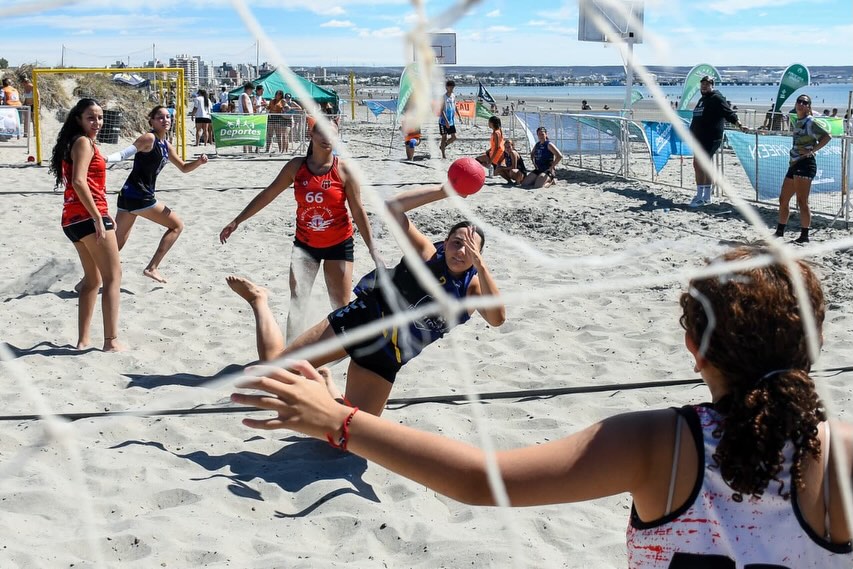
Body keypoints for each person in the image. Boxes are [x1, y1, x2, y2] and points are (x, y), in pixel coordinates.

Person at [232, 246, 852, 567]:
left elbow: (482, 481)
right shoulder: (843, 453)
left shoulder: (660, 443)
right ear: (815, 344)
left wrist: (338, 421)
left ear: (695, 349)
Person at [227, 183, 506, 416]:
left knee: (351, 434)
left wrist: (481, 267)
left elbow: (497, 319)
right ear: (445, 243)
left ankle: (326, 382)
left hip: (387, 356)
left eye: (470, 248)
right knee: (277, 374)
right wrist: (445, 191)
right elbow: (392, 208)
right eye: (457, 242)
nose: (461, 251)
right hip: (360, 320)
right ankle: (258, 300)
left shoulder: (473, 289)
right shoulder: (426, 254)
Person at [220, 122, 375, 343]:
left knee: (340, 306)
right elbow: (268, 194)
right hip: (305, 245)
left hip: (339, 244)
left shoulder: (344, 170)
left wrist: (372, 249)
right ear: (311, 134)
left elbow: (358, 211)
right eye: (323, 132)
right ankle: (291, 350)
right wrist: (238, 220)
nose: (327, 138)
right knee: (298, 301)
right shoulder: (296, 166)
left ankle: (336, 353)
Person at [49, 99, 123, 352]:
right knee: (113, 277)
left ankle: (83, 340)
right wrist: (97, 217)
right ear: (78, 119)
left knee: (93, 280)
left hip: (73, 220)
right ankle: (111, 342)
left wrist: (100, 214)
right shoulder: (82, 142)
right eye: (91, 117)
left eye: (100, 117)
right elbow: (79, 181)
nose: (97, 122)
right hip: (87, 218)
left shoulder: (77, 142)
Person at [107, 105, 208, 284]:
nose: (165, 120)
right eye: (160, 117)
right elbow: (124, 154)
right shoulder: (149, 138)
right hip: (141, 196)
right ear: (152, 121)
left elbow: (184, 168)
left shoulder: (166, 145)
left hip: (128, 196)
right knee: (177, 226)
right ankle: (152, 268)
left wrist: (198, 162)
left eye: (168, 117)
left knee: (116, 245)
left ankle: (88, 279)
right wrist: (105, 159)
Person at [774, 94, 832, 244]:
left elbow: (827, 136)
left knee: (802, 201)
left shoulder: (810, 121)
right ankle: (779, 231)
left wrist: (812, 151)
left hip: (805, 164)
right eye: (799, 101)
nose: (801, 104)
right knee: (783, 199)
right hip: (794, 163)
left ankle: (804, 235)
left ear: (809, 106)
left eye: (804, 102)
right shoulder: (797, 121)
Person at [687, 76, 745, 208]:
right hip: (699, 138)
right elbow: (697, 118)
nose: (704, 86)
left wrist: (740, 125)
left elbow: (729, 113)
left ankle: (702, 196)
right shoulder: (702, 99)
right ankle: (704, 196)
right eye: (702, 84)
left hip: (711, 137)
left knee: (701, 164)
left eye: (707, 84)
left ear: (712, 85)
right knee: (700, 165)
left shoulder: (717, 98)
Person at [439, 80, 457, 159]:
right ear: (446, 87)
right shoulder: (443, 97)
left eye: (453, 87)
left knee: (454, 137)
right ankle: (443, 155)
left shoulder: (453, 96)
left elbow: (455, 106)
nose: (452, 88)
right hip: (443, 121)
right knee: (444, 137)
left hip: (451, 121)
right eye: (450, 87)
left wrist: (459, 115)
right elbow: (441, 110)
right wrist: (446, 121)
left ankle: (443, 146)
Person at [235, 82, 255, 154]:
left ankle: (248, 150)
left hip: (246, 118)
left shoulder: (245, 96)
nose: (252, 91)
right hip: (246, 118)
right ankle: (247, 151)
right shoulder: (244, 95)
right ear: (249, 89)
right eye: (251, 90)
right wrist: (248, 117)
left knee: (247, 135)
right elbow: (245, 107)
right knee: (247, 135)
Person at [265, 90, 287, 154]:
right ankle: (267, 149)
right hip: (271, 118)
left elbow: (286, 108)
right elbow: (268, 108)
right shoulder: (272, 100)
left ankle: (280, 149)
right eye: (276, 94)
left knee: (278, 135)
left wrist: (284, 107)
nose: (277, 95)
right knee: (269, 135)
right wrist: (265, 105)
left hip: (278, 118)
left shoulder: (282, 101)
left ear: (281, 95)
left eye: (279, 94)